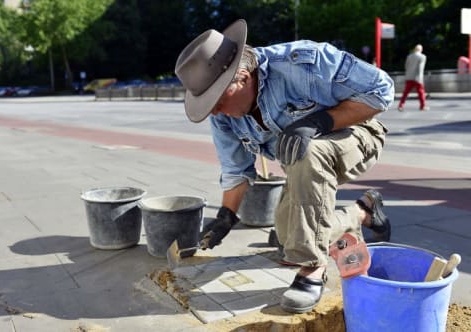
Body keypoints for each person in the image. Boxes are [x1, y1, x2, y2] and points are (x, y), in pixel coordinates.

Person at [175, 19, 393, 313]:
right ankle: (362, 211)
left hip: (358, 134)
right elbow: (236, 169)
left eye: (216, 99)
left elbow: (382, 89)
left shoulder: (301, 63)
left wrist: (319, 121)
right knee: (287, 241)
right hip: (304, 164)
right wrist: (226, 216)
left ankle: (312, 269)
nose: (213, 110)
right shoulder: (223, 116)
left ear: (241, 76)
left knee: (304, 227)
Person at [398, 44, 428, 111]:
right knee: (421, 93)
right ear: (421, 50)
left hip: (409, 77)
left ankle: (401, 105)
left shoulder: (409, 56)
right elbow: (420, 68)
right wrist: (420, 79)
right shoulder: (422, 57)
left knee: (405, 93)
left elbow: (406, 66)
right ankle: (422, 106)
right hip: (417, 78)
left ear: (415, 49)